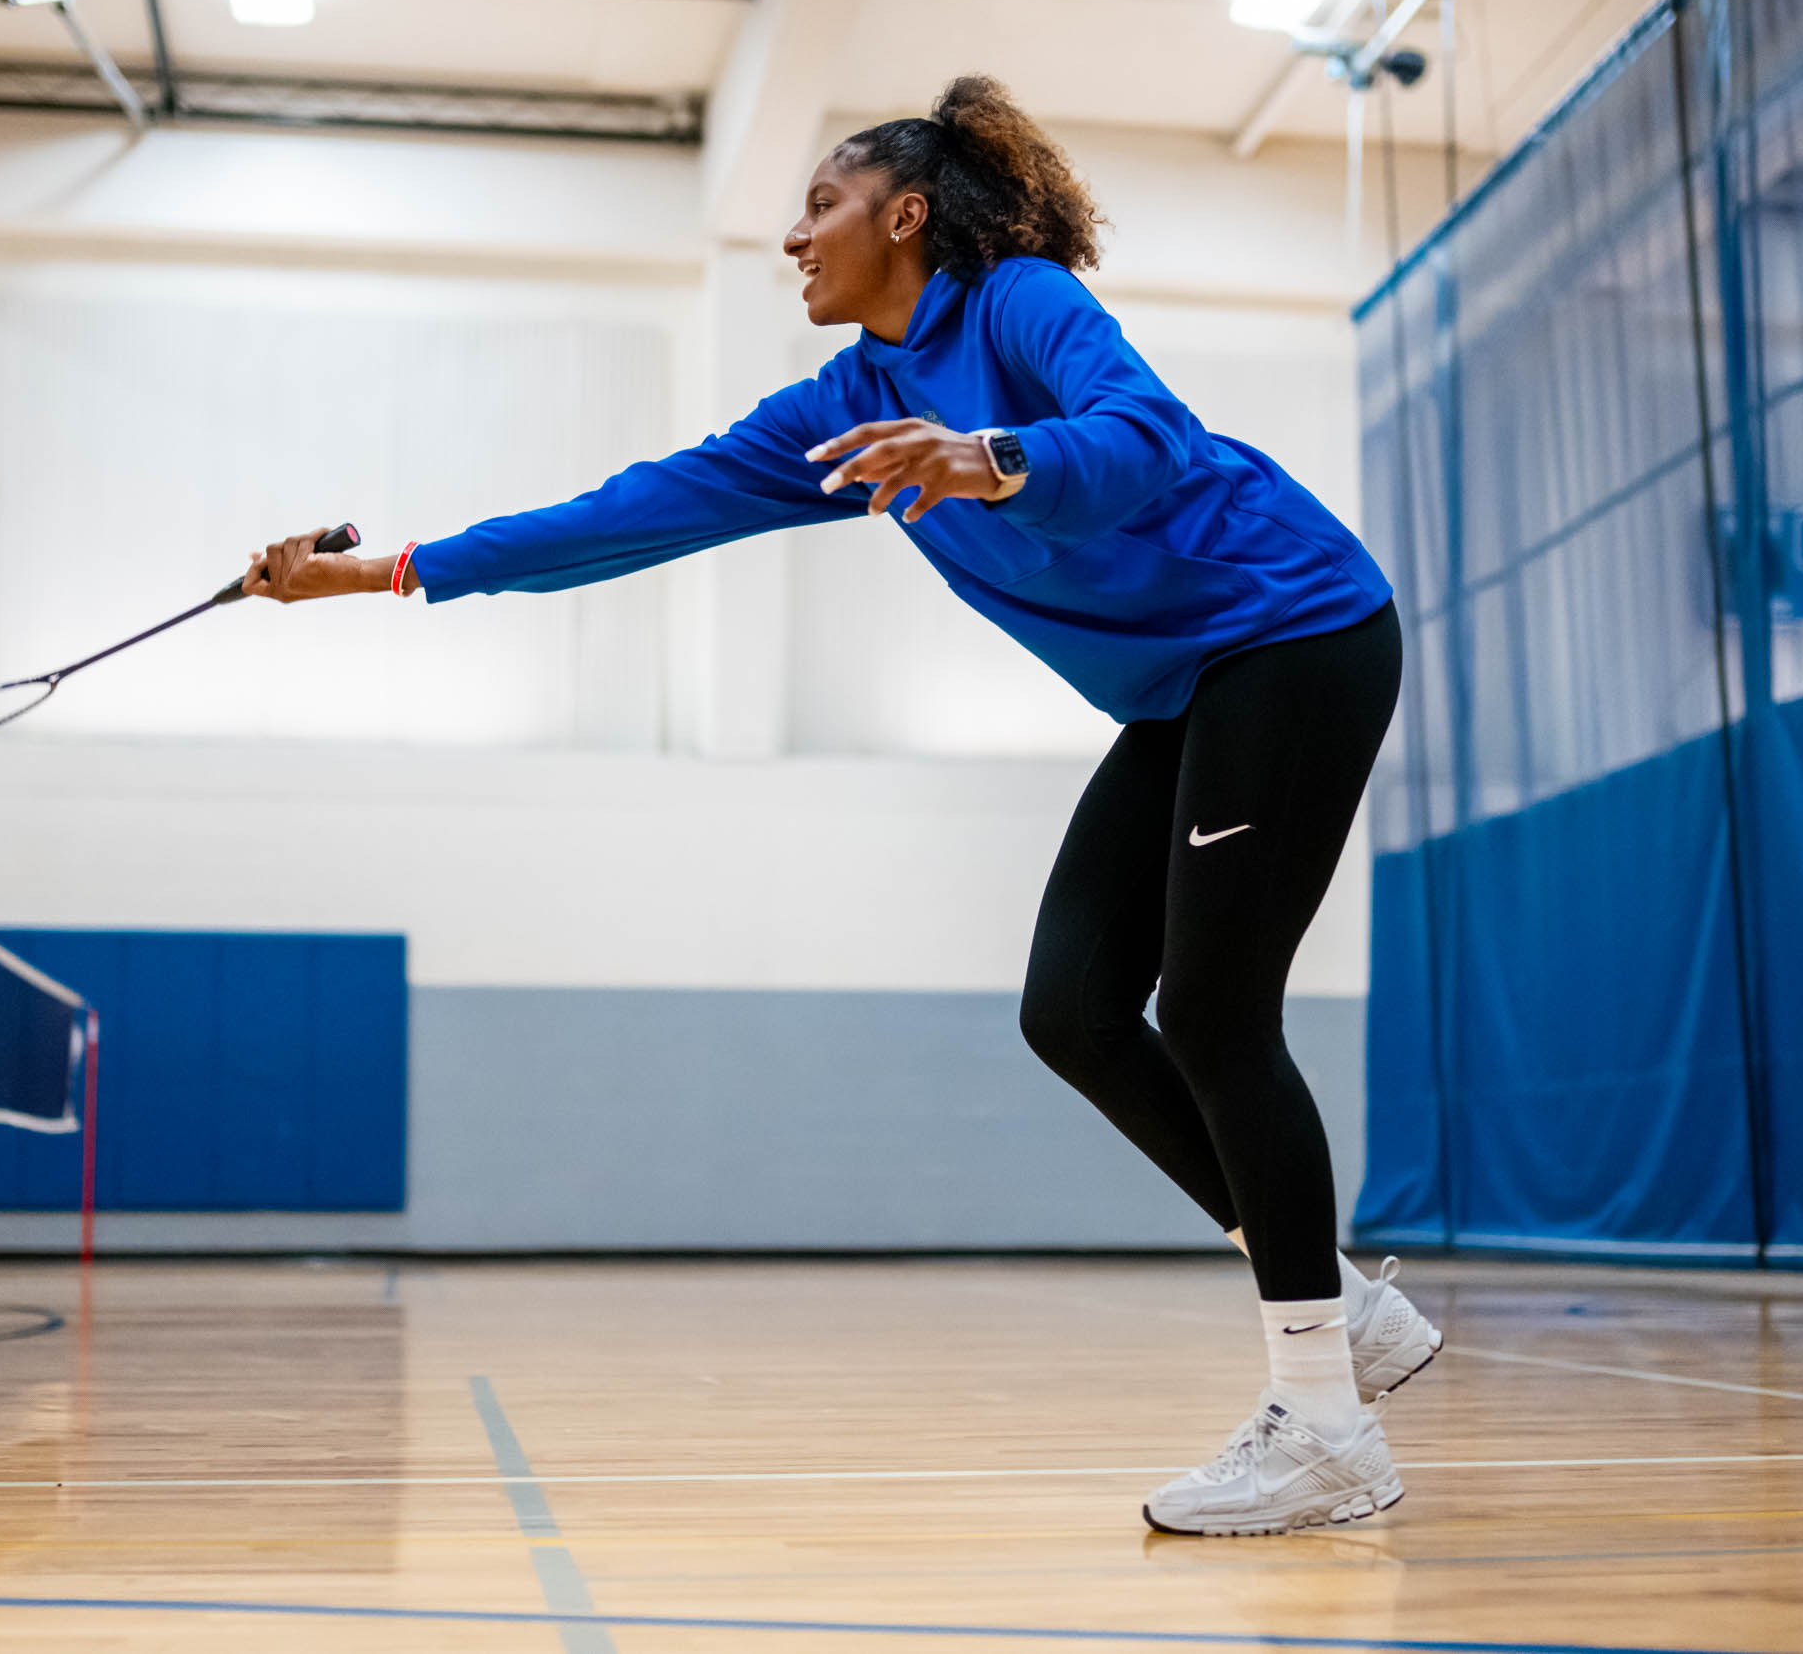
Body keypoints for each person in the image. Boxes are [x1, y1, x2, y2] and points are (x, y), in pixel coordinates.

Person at [243, 74, 1441, 1537]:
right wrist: (380, 572)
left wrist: (996, 457)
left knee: (1210, 1009)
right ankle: (1341, 1309)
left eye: (820, 207)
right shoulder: (847, 405)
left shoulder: (1021, 308)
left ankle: (1326, 1426)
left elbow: (1151, 440)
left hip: (1295, 628)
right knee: (1070, 1007)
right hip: (1191, 686)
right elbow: (631, 513)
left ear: (908, 215)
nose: (794, 242)